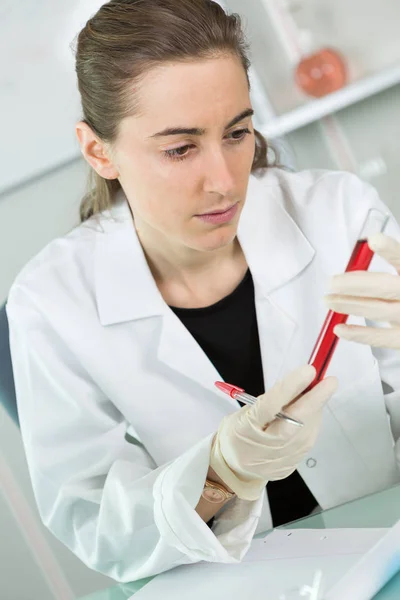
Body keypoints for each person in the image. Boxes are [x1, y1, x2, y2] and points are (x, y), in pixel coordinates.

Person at [6, 0, 400, 584]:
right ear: (99, 151)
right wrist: (218, 475)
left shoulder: (340, 214)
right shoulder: (51, 302)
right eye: (180, 148)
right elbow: (96, 526)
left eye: (237, 132)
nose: (224, 180)